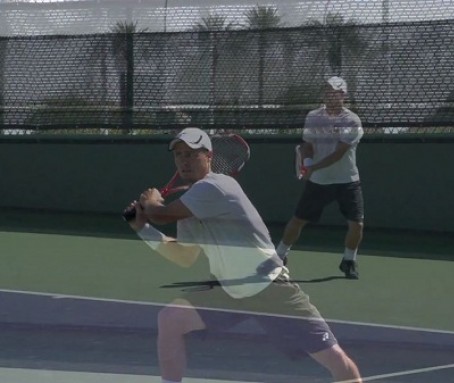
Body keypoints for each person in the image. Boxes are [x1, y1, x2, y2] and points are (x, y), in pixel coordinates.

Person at [124, 127, 363, 383]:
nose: (184, 160)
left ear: (209, 157)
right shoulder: (189, 205)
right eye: (179, 155)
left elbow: (161, 213)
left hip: (271, 288)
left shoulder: (218, 185)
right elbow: (184, 256)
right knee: (171, 319)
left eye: (192, 154)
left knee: (337, 362)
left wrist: (151, 203)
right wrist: (143, 228)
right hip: (231, 291)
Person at [276, 76, 365, 279]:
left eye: (335, 91)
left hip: (348, 181)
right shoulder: (313, 117)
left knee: (357, 224)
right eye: (327, 91)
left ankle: (349, 260)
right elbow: (308, 144)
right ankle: (279, 255)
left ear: (343, 95)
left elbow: (339, 154)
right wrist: (307, 162)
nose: (330, 94)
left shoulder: (351, 121)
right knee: (298, 220)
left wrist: (313, 167)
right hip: (319, 181)